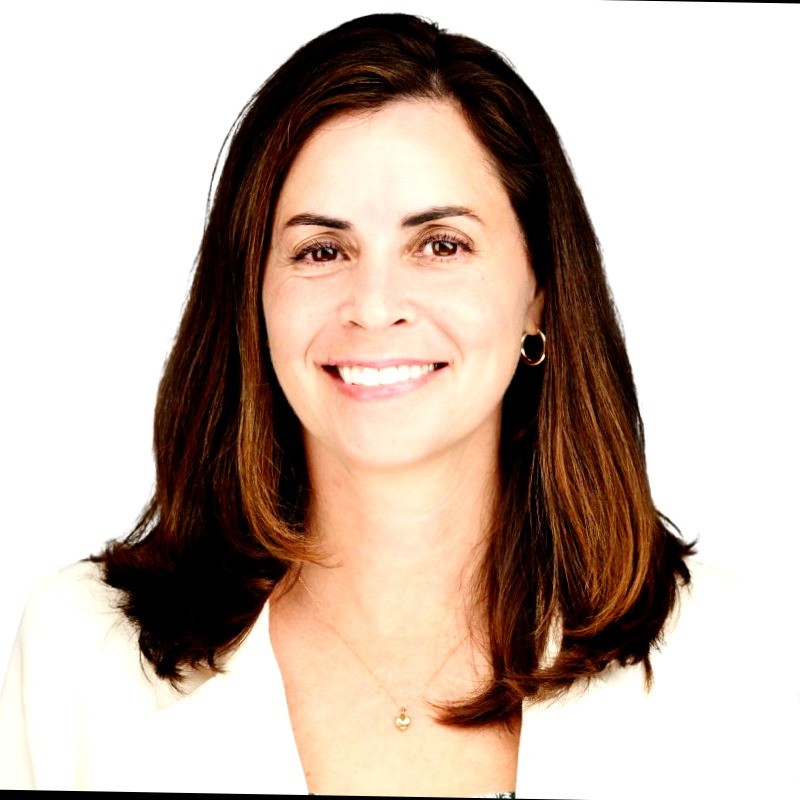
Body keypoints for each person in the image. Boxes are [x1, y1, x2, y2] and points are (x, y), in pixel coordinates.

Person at [0, 12, 795, 798]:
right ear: (252, 297)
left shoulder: (741, 658)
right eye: (321, 250)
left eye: (441, 245)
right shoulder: (84, 654)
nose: (374, 306)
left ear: (539, 296)